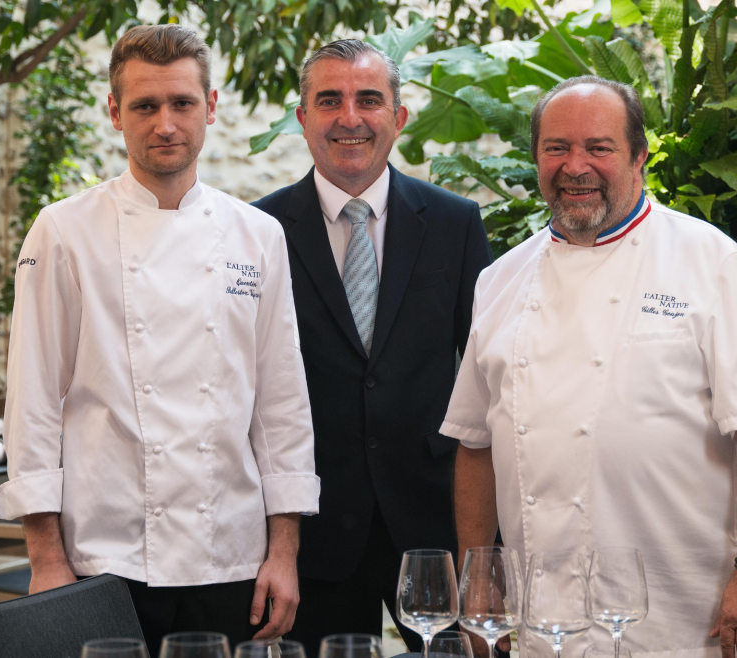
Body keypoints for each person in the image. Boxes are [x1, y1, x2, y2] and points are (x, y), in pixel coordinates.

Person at [443, 76, 737, 658]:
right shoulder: (500, 279)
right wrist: (478, 576)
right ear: (536, 157)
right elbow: (475, 444)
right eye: (556, 148)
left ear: (639, 156)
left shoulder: (712, 262)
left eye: (600, 148)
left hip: (682, 614)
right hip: (541, 616)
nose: (575, 166)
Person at [0, 25, 319, 655]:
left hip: (232, 555)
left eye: (181, 104)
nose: (165, 124)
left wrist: (284, 550)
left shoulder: (258, 236)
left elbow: (281, 406)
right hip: (104, 557)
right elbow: (33, 401)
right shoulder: (63, 232)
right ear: (115, 112)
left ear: (211, 107)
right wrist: (45, 559)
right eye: (145, 106)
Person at [252, 40, 492, 655]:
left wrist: (488, 546)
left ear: (399, 118)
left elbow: (489, 383)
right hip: (315, 530)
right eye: (329, 100)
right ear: (302, 118)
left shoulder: (456, 224)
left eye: (369, 100)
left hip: (433, 523)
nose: (349, 118)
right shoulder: (258, 232)